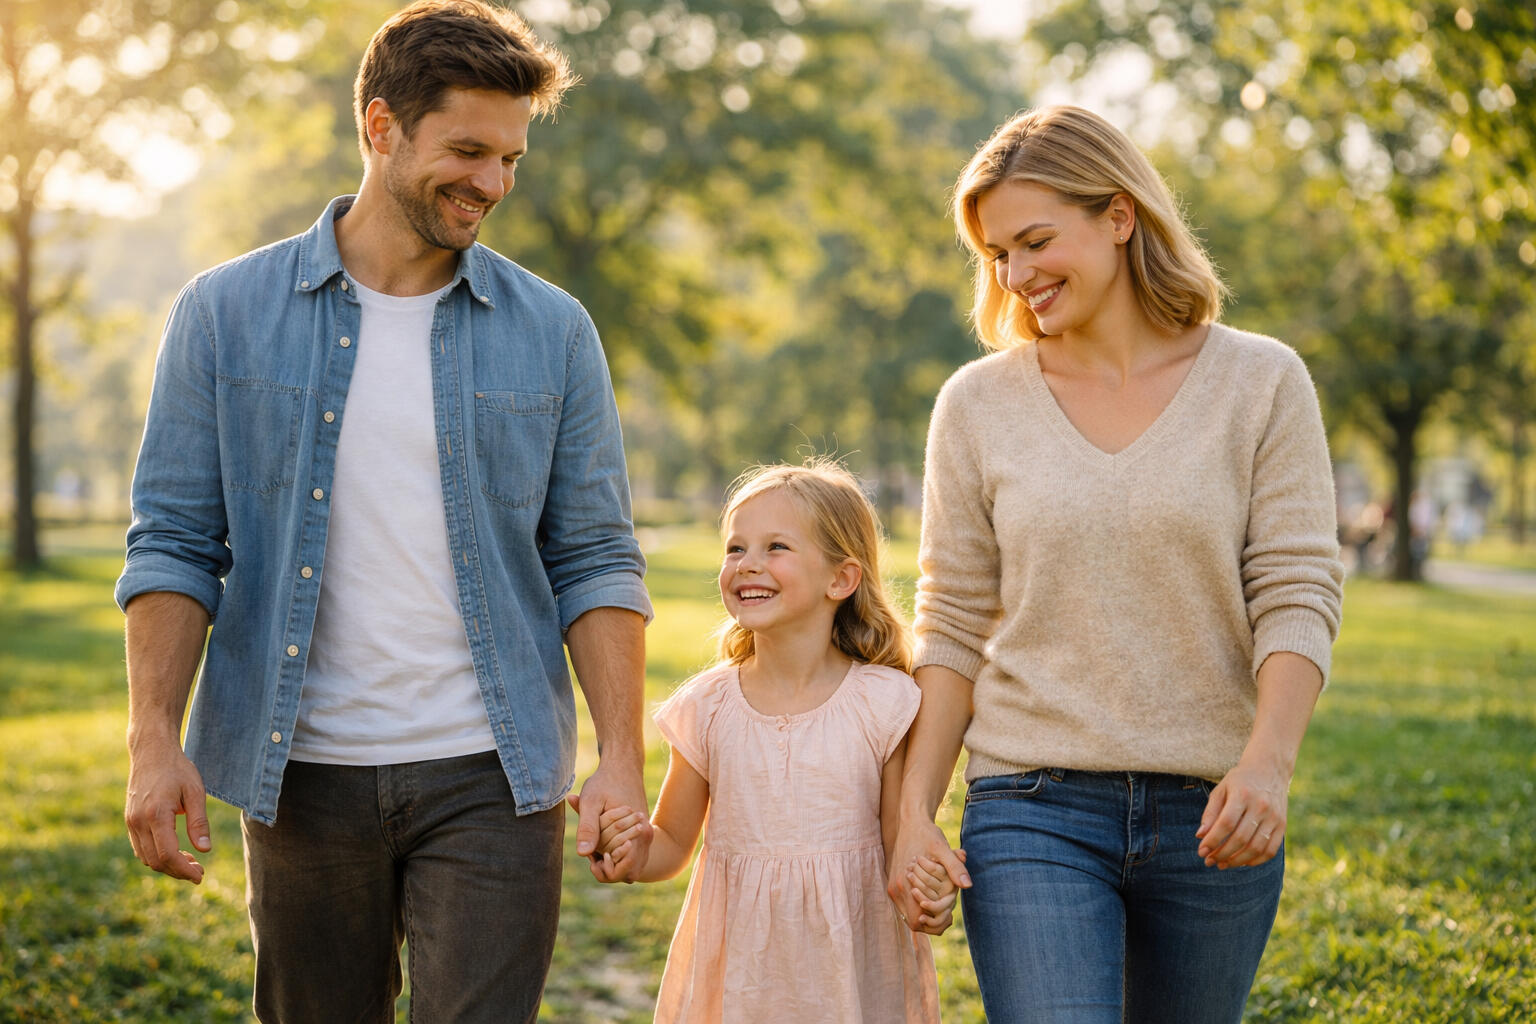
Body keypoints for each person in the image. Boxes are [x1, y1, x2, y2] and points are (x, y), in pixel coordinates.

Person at [115, 3, 654, 1021]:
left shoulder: (554, 331)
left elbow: (592, 556)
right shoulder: (222, 314)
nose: (491, 183)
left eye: (509, 159)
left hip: (493, 779)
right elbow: (178, 542)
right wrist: (153, 736)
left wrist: (621, 757)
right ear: (380, 128)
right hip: (300, 775)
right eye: (466, 150)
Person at [886, 106, 1345, 1023]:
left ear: (1121, 217)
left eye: (1035, 240)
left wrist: (1267, 768)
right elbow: (953, 620)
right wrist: (911, 814)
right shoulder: (978, 405)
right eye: (997, 255)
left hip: (1212, 811)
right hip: (1031, 802)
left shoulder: (1261, 383)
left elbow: (1297, 592)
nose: (1016, 276)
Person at [589, 461, 947, 1023]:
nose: (748, 564)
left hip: (848, 976)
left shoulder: (882, 702)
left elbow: (899, 841)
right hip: (741, 981)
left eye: (775, 546)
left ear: (841, 579)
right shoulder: (709, 707)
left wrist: (926, 890)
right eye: (735, 549)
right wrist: (632, 851)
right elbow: (673, 843)